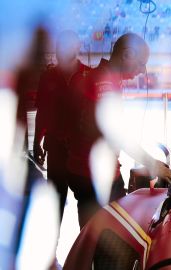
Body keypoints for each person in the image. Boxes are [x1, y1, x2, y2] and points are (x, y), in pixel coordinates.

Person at [66, 33, 171, 228]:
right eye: (141, 63)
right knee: (105, 238)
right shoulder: (104, 83)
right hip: (93, 175)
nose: (142, 70)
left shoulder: (106, 79)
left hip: (90, 170)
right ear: (127, 55)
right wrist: (153, 164)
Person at [33, 30, 91, 221]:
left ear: (77, 47)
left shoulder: (88, 75)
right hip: (56, 150)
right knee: (55, 201)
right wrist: (37, 142)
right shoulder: (48, 76)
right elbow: (43, 112)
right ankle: (51, 248)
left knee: (85, 204)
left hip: (81, 153)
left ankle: (86, 247)